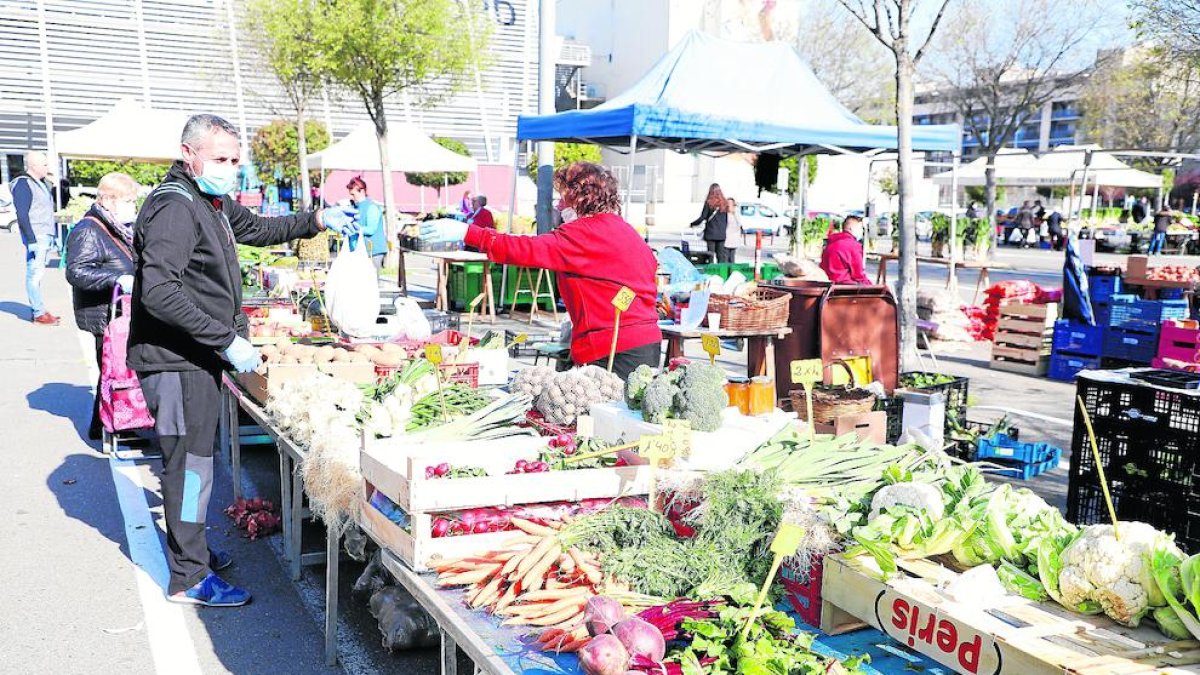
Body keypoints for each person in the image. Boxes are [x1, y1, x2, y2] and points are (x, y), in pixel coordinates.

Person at [128, 114, 359, 607]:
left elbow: (256, 227)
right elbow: (159, 292)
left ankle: (192, 550)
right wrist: (224, 339)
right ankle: (188, 576)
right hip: (176, 360)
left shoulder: (210, 201)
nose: (230, 168)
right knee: (189, 466)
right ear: (189, 154)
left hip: (197, 357)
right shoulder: (175, 207)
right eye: (220, 159)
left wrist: (316, 220)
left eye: (235, 160)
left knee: (196, 462)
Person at [420, 162, 661, 380]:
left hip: (612, 350)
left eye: (563, 197)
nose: (558, 205)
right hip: (645, 344)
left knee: (603, 422)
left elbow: (524, 249)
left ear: (581, 197)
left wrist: (468, 233)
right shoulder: (628, 232)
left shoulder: (583, 233)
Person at [65, 172, 139, 441]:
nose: (133, 206)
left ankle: (105, 423)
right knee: (110, 366)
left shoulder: (112, 226)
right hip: (103, 312)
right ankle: (111, 424)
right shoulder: (88, 229)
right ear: (108, 200)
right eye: (128, 200)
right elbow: (76, 272)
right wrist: (117, 279)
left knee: (111, 367)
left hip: (116, 310)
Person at [11, 150, 61, 324]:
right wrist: (31, 240)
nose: (48, 167)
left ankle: (39, 308)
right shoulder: (23, 184)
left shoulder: (39, 183)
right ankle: (39, 313)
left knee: (37, 274)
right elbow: (22, 215)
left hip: (43, 235)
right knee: (34, 274)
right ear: (34, 166)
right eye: (45, 164)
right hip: (36, 236)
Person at [347, 176, 387, 270]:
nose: (351, 197)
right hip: (359, 251)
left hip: (373, 251)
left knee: (372, 281)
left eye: (353, 194)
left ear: (362, 191)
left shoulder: (372, 207)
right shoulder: (355, 208)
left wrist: (355, 228)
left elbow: (371, 229)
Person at [819, 215, 871, 285]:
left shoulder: (829, 243)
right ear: (851, 228)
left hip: (826, 284)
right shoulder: (853, 245)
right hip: (845, 286)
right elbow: (858, 275)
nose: (862, 231)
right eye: (861, 228)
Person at [690, 184, 729, 263]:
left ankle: (711, 271)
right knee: (720, 255)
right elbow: (726, 219)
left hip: (711, 233)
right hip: (721, 234)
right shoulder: (724, 203)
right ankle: (721, 272)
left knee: (710, 255)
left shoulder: (709, 203)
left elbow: (703, 217)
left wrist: (693, 224)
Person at [724, 197, 741, 263]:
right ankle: (726, 271)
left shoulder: (736, 213)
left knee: (732, 257)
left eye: (730, 203)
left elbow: (739, 224)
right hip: (726, 238)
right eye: (727, 203)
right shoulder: (724, 213)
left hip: (734, 238)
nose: (729, 205)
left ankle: (731, 271)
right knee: (725, 257)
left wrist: (734, 213)